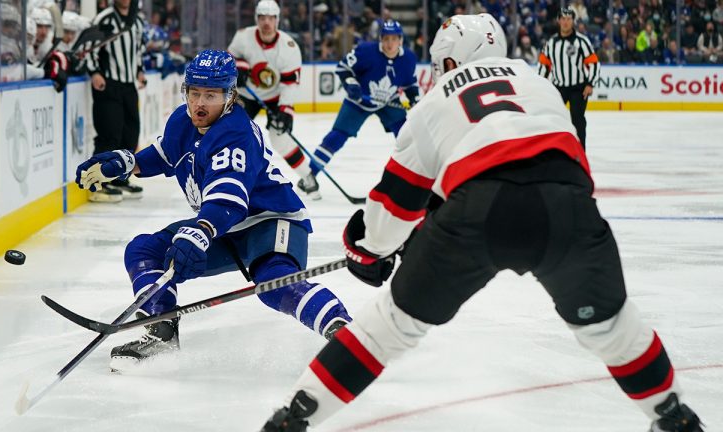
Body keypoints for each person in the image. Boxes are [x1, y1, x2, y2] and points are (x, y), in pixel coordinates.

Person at [261, 14, 704, 432]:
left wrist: (373, 249)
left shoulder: (433, 103)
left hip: (477, 211)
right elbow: (556, 161)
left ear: (451, 61)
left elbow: (393, 210)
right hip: (565, 206)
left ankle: (293, 418)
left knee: (389, 328)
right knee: (612, 327)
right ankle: (675, 415)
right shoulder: (539, 83)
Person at [74, 50, 352, 371]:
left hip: (271, 220)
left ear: (230, 96)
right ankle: (161, 330)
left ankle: (345, 333)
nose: (200, 104)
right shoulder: (183, 120)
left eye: (211, 95)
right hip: (224, 228)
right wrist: (130, 163)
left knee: (274, 283)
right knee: (144, 250)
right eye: (194, 93)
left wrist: (201, 230)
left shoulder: (235, 132)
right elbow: (165, 155)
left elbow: (228, 197)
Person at [306, 19, 419, 198]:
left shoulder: (408, 58)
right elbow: (343, 68)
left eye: (394, 39)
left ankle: (413, 179)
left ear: (401, 40)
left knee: (406, 137)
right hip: (359, 101)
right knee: (337, 137)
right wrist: (352, 85)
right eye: (386, 38)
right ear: (381, 39)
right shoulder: (366, 51)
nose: (390, 43)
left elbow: (410, 84)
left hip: (388, 101)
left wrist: (415, 98)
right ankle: (309, 175)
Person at [227, 1, 318, 199]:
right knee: (233, 131)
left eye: (271, 18)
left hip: (276, 97)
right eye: (262, 18)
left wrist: (285, 110)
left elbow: (289, 84)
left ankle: (308, 177)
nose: (266, 22)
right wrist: (239, 67)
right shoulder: (243, 36)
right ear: (256, 20)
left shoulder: (289, 47)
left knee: (279, 138)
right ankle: (231, 178)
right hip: (248, 94)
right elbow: (230, 57)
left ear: (277, 20)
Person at [85, 0, 146, 202]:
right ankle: (96, 184)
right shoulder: (104, 19)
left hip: (129, 86)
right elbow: (89, 48)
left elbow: (138, 49)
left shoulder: (137, 21)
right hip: (108, 84)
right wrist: (94, 72)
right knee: (109, 134)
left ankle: (119, 177)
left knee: (130, 134)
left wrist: (139, 70)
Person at [537, 6, 600, 150]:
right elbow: (544, 66)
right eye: (563, 19)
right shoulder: (551, 43)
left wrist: (590, 83)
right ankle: (552, 150)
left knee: (578, 121)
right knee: (551, 119)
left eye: (569, 19)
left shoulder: (582, 42)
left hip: (578, 88)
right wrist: (540, 86)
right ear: (558, 21)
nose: (566, 22)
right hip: (558, 88)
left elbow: (594, 64)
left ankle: (580, 151)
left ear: (573, 22)